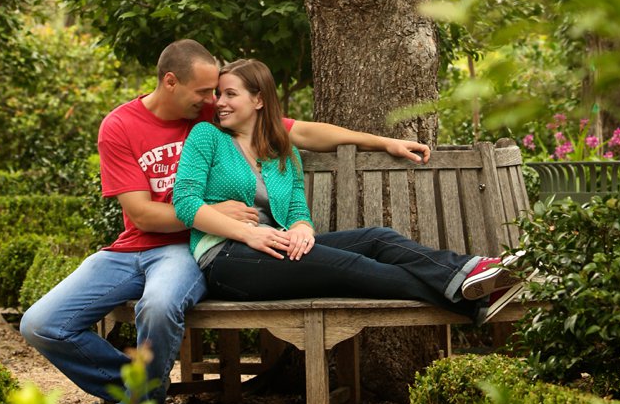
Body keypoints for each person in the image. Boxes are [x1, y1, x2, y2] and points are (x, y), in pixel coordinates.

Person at [19, 38, 433, 404]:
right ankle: (141, 396)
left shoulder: (212, 119)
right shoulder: (121, 125)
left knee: (160, 306)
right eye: (203, 91)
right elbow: (142, 213)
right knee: (41, 324)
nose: (212, 100)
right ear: (169, 82)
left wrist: (383, 142)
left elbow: (303, 132)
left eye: (217, 91)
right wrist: (218, 214)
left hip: (188, 249)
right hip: (130, 248)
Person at [173, 57, 523, 320]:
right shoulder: (207, 137)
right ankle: (473, 296)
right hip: (225, 260)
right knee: (355, 266)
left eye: (230, 94)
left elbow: (296, 210)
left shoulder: (284, 152)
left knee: (378, 238)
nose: (218, 102)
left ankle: (473, 274)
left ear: (259, 100)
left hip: (276, 250)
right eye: (218, 94)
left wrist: (302, 230)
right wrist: (248, 234)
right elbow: (185, 203)